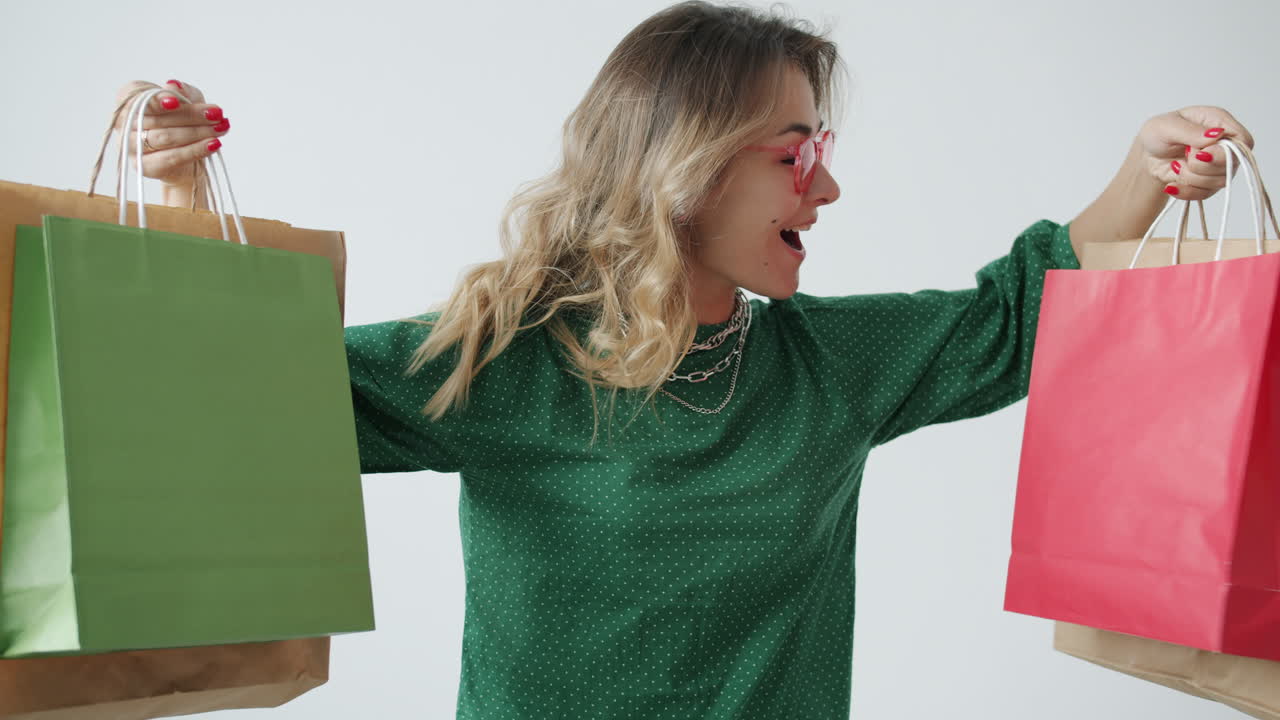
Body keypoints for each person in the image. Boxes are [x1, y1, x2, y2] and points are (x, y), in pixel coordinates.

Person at [112, 2, 1253, 717]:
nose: (830, 184)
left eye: (827, 148)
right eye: (796, 150)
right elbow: (232, 390)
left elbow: (1019, 318)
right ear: (687, 164)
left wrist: (1142, 173)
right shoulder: (499, 362)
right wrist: (176, 187)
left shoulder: (833, 366)